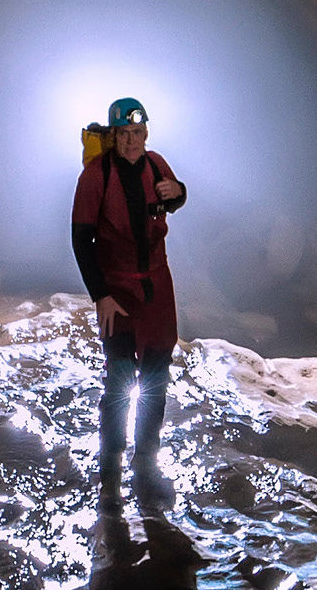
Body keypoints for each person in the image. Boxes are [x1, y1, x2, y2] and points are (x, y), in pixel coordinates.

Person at [70, 96, 187, 503]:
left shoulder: (156, 164)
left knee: (155, 379)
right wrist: (100, 295)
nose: (132, 141)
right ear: (114, 136)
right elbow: (81, 239)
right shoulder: (95, 176)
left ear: (146, 134)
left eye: (138, 133)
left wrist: (181, 191)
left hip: (156, 288)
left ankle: (146, 464)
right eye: (124, 134)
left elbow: (171, 200)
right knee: (120, 378)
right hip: (117, 290)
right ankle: (110, 472)